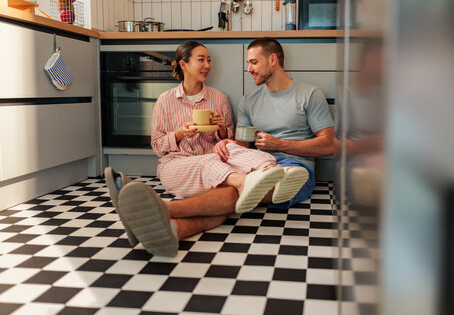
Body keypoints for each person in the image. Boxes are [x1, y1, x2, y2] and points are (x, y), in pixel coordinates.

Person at [104, 40, 308, 257]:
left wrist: (221, 131)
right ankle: (246, 180)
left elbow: (230, 142)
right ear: (183, 64)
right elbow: (157, 146)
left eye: (209, 60)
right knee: (213, 162)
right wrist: (180, 134)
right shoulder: (165, 101)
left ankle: (173, 229)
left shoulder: (219, 99)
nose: (207, 65)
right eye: (201, 59)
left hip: (218, 170)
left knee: (230, 190)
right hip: (177, 166)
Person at [213, 37, 335, 209]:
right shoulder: (248, 101)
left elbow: (329, 145)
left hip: (296, 168)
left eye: (254, 62)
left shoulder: (310, 95)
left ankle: (169, 213)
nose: (249, 69)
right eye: (249, 63)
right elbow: (242, 145)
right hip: (257, 165)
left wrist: (280, 144)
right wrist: (227, 142)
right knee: (226, 185)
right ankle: (170, 215)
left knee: (231, 194)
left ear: (273, 60)